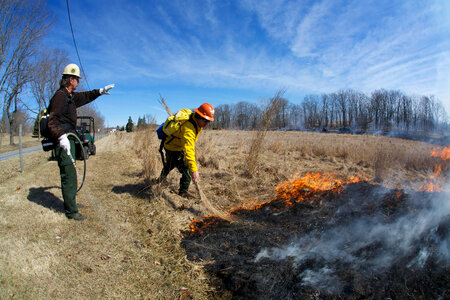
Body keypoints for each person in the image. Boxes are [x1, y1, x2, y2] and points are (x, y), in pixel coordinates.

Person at [47, 63, 114, 221]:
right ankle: (71, 211)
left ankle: (72, 203)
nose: (78, 82)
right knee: (68, 175)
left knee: (72, 173)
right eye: (77, 79)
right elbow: (52, 120)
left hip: (70, 138)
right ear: (70, 80)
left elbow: (85, 96)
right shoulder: (60, 96)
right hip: (63, 140)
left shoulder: (70, 97)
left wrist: (100, 91)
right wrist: (60, 137)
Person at [158, 103, 214, 198]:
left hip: (176, 146)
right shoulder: (188, 129)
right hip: (172, 147)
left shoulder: (194, 121)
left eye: (209, 121)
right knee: (187, 170)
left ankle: (160, 180)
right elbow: (189, 150)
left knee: (170, 165)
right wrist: (194, 170)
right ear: (199, 116)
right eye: (205, 120)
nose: (206, 124)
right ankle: (183, 192)